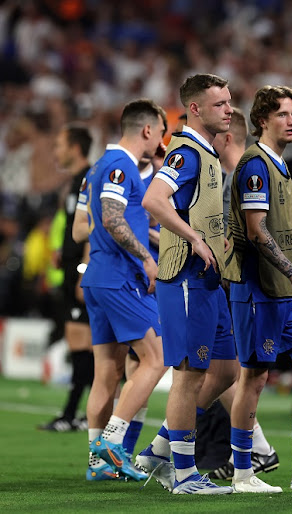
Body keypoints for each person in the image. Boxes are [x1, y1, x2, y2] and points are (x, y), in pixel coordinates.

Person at [223, 85, 292, 494]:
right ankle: (243, 472)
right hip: (259, 289)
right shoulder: (255, 163)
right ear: (262, 119)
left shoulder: (281, 164)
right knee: (254, 378)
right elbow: (256, 231)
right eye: (282, 114)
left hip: (283, 291)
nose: (291, 121)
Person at [140, 73, 236, 495]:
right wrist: (193, 237)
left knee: (227, 370)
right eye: (220, 104)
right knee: (188, 375)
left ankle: (161, 449)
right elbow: (153, 200)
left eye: (230, 102)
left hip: (210, 281)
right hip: (185, 278)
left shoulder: (208, 152)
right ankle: (182, 474)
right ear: (195, 109)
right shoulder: (187, 153)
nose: (230, 109)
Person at [71, 99, 168, 481]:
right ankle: (111, 443)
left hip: (98, 276)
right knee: (156, 358)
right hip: (119, 277)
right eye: (160, 131)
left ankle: (97, 464)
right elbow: (111, 217)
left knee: (107, 373)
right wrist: (146, 256)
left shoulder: (98, 166)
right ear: (147, 130)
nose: (161, 139)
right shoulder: (120, 165)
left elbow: (93, 222)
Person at [206, 109, 281, 481]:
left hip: (242, 286)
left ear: (228, 138)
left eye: (213, 136)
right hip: (238, 285)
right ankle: (260, 450)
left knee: (236, 372)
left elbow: (246, 235)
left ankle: (168, 443)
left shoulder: (240, 175)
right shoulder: (231, 176)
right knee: (229, 372)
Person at [38, 124, 94, 433]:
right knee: (81, 344)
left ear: (75, 148)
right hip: (71, 269)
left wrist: (84, 271)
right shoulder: (73, 182)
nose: (56, 151)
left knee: (84, 342)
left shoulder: (88, 178)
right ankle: (76, 414)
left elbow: (91, 229)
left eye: (60, 145)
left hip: (79, 272)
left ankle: (76, 414)